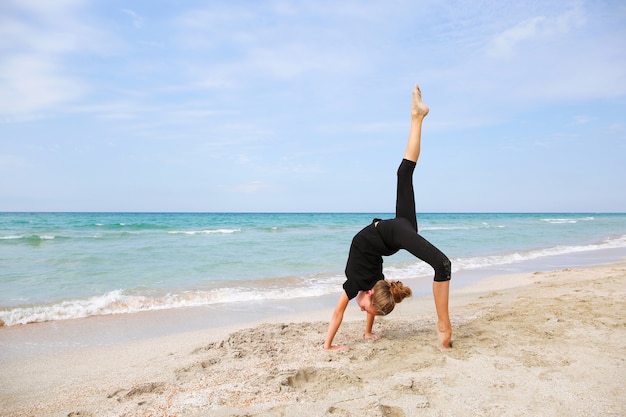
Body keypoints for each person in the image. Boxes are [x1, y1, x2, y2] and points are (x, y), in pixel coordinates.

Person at [323, 84, 452, 351]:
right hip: (395, 233)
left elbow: (340, 313)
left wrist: (330, 345)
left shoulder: (364, 284)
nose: (364, 311)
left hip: (395, 234)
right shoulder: (366, 284)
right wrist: (341, 342)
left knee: (404, 175)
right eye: (369, 310)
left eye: (370, 313)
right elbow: (351, 310)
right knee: (442, 264)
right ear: (371, 293)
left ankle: (417, 116)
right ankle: (417, 117)